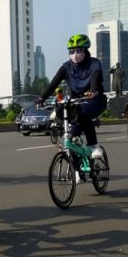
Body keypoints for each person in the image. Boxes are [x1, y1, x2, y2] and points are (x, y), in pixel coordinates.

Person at [38, 34, 107, 166]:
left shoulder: (94, 63)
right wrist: (42, 98)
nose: (75, 54)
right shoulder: (66, 67)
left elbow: (95, 77)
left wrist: (92, 90)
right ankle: (76, 171)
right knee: (70, 138)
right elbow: (53, 84)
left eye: (79, 51)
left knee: (83, 111)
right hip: (76, 104)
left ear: (85, 51)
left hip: (95, 100)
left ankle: (94, 145)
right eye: (71, 51)